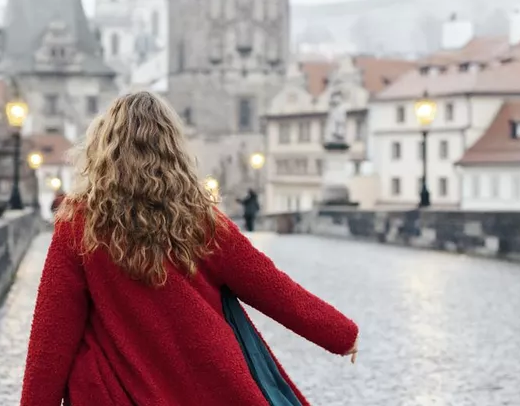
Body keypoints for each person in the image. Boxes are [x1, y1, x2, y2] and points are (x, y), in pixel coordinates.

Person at [21, 92, 358, 406]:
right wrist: (342, 334)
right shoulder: (202, 221)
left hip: (112, 391)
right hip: (199, 383)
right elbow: (273, 288)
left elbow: (51, 335)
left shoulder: (80, 223)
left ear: (102, 149)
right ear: (174, 150)